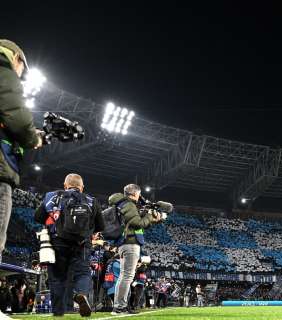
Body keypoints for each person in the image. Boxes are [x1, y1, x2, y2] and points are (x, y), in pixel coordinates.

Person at [0, 41, 42, 311]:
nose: (20, 75)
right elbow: (16, 114)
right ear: (16, 58)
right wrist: (33, 137)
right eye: (21, 69)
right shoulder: (4, 71)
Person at [34, 173, 104, 317]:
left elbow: (38, 217)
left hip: (57, 242)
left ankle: (58, 311)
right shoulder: (91, 200)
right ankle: (81, 294)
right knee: (83, 273)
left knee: (57, 277)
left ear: (65, 185)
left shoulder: (51, 196)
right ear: (82, 187)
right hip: (82, 244)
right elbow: (100, 225)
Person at [110, 184, 162, 315]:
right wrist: (150, 216)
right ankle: (119, 307)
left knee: (124, 276)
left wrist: (147, 217)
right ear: (135, 194)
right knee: (127, 276)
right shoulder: (128, 205)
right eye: (139, 194)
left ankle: (119, 306)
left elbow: (135, 223)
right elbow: (138, 223)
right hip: (130, 243)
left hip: (125, 243)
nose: (140, 197)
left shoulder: (124, 204)